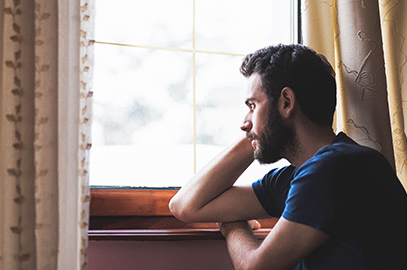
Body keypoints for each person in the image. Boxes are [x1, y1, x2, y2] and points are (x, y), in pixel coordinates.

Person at [169, 44, 407, 270]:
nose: (243, 123)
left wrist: (232, 225)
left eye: (253, 106)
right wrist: (257, 133)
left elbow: (255, 267)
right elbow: (185, 206)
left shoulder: (338, 167)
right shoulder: (297, 176)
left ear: (286, 102)